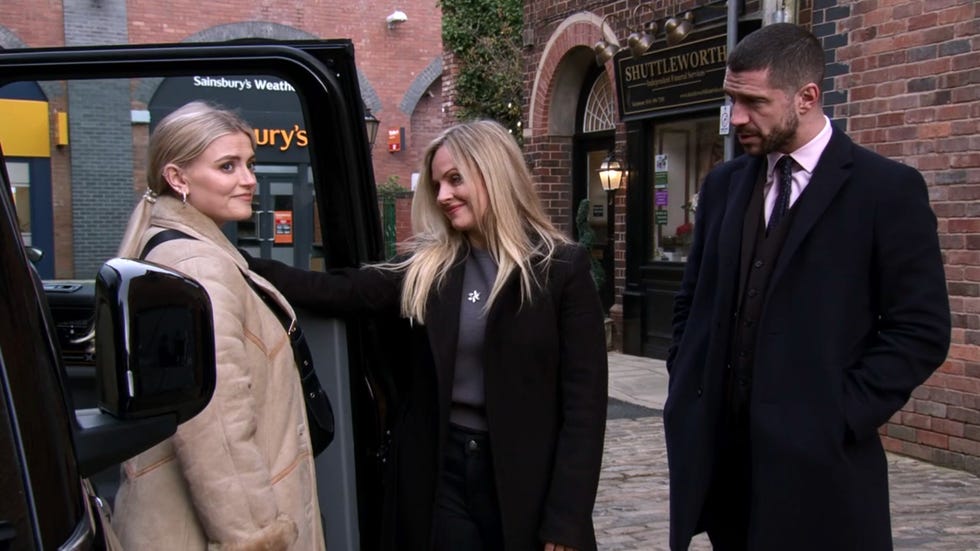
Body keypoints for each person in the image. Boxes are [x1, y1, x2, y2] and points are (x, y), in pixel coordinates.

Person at [248, 119, 608, 550]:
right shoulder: (428, 268)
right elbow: (335, 289)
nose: (443, 196)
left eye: (455, 180)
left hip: (526, 478)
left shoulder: (561, 270)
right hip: (440, 473)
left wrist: (566, 520)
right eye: (438, 184)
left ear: (494, 171)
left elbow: (585, 409)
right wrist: (233, 263)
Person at [665, 23, 950, 550]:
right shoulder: (725, 184)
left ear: (808, 97)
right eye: (731, 101)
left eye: (753, 102)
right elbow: (692, 297)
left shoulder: (885, 191)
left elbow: (921, 330)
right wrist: (685, 371)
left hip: (821, 474)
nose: (738, 119)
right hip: (723, 468)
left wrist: (840, 415)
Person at [112, 101, 325, 550]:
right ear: (178, 178)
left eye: (248, 164)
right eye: (227, 166)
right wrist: (257, 537)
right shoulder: (199, 267)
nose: (248, 180)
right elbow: (216, 428)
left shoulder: (178, 248)